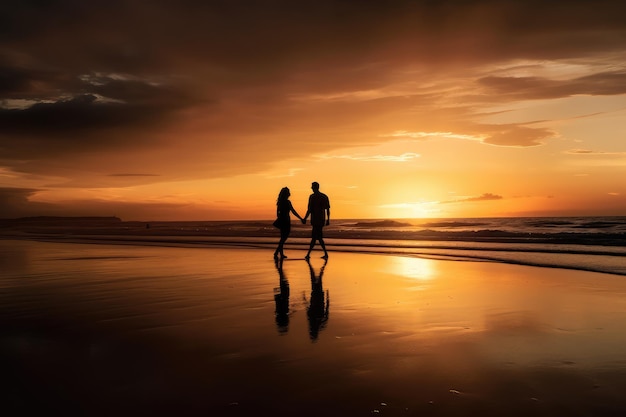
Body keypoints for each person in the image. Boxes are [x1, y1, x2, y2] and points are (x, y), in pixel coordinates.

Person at [274, 187, 304, 259]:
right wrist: (300, 218)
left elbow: (277, 213)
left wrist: (280, 218)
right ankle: (277, 252)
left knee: (282, 237)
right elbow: (293, 211)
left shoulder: (280, 202)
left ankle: (279, 253)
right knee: (284, 237)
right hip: (286, 220)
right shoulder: (287, 202)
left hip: (282, 220)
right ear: (287, 194)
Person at [303, 181, 330, 259]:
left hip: (316, 220)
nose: (311, 188)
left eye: (312, 187)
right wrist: (328, 219)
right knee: (317, 237)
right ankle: (322, 253)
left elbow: (309, 210)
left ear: (314, 187)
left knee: (315, 237)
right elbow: (327, 209)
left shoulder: (312, 197)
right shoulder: (324, 196)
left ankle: (309, 254)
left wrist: (305, 218)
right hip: (320, 220)